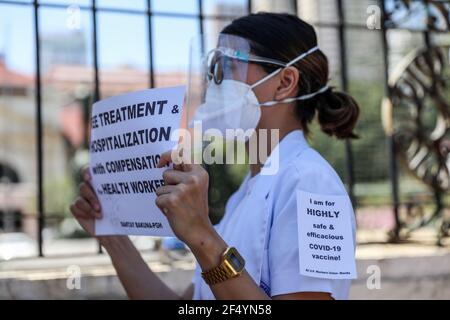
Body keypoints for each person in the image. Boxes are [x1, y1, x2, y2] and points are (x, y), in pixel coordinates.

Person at [70, 12, 360, 300]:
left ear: (284, 82)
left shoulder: (311, 182)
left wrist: (200, 234)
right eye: (212, 69)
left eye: (228, 67)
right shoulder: (244, 194)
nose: (214, 82)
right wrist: (112, 236)